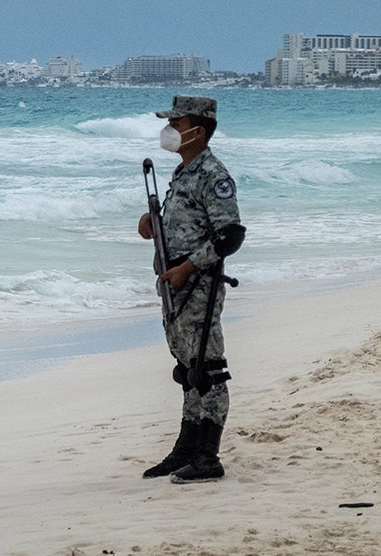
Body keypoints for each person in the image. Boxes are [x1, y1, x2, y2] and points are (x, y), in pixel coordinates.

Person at [137, 95, 245, 483]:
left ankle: (208, 456)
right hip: (175, 287)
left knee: (209, 370)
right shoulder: (184, 172)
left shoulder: (212, 174)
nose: (169, 130)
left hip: (198, 285)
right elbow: (189, 225)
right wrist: (154, 221)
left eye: (176, 124)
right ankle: (186, 448)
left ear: (198, 130)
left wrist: (188, 266)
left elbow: (229, 235)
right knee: (188, 370)